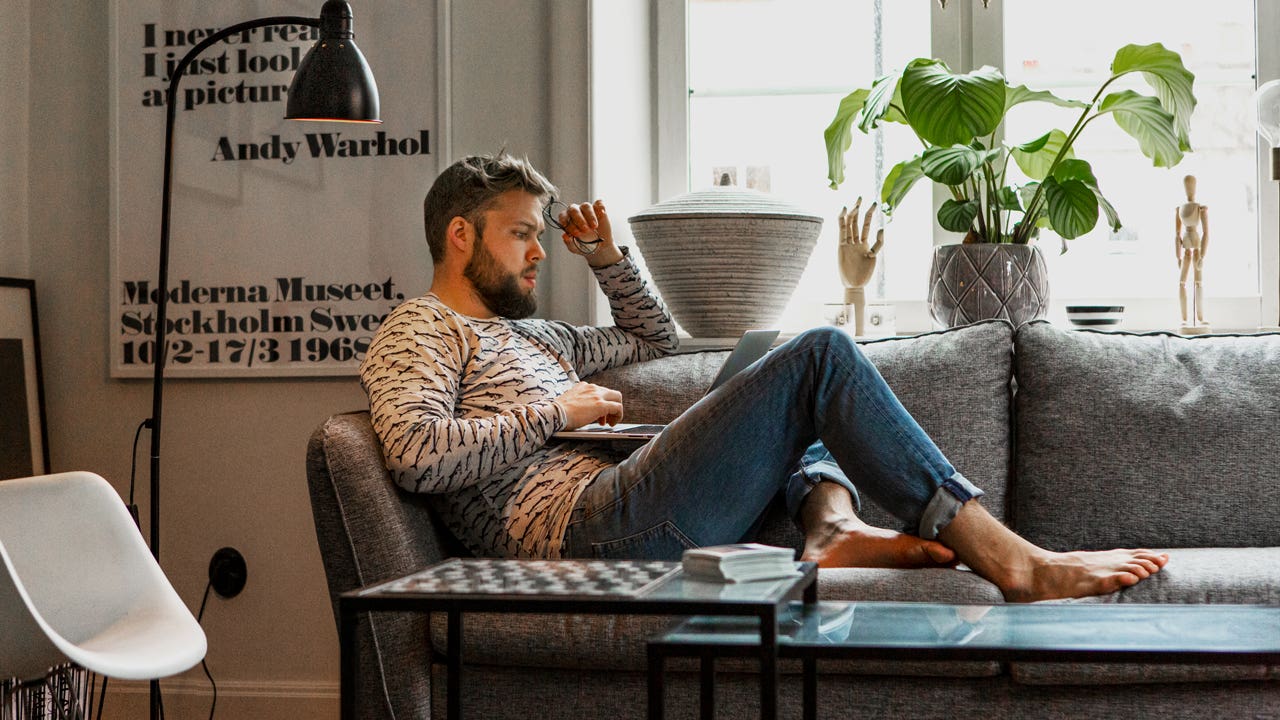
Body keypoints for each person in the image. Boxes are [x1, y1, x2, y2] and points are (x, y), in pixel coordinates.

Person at [360, 152, 1168, 602]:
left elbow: (652, 338)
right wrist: (552, 413)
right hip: (584, 530)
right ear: (460, 236)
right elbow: (415, 455)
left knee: (768, 355)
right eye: (521, 234)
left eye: (540, 235)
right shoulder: (420, 328)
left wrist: (605, 258)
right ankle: (1012, 560)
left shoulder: (532, 335)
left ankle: (831, 526)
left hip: (622, 501)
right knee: (819, 353)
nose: (538, 251)